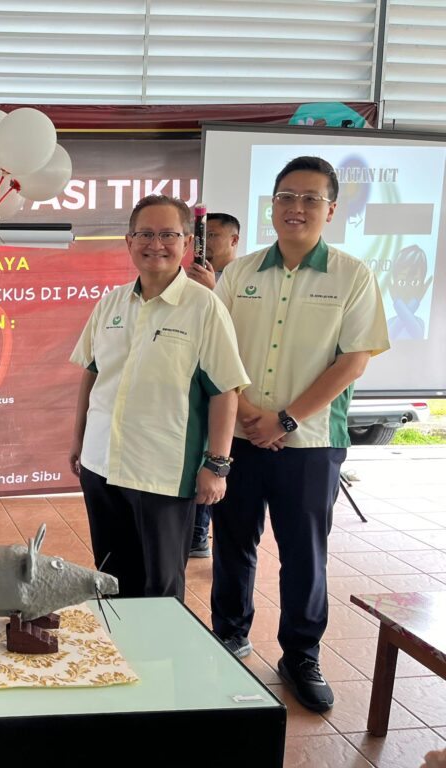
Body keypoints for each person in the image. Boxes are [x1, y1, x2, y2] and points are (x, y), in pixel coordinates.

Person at [210, 156, 389, 713]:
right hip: (240, 438)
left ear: (331, 210)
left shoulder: (352, 275)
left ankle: (301, 656)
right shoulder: (238, 274)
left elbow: (353, 360)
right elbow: (217, 353)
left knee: (305, 555)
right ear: (272, 205)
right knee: (233, 544)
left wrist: (284, 418)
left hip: (311, 444)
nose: (297, 207)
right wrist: (247, 416)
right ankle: (228, 637)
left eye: (311, 198)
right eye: (287, 196)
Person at [69, 194, 249, 602]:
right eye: (145, 234)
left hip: (162, 473)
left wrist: (217, 465)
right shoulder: (111, 303)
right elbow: (92, 375)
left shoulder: (204, 307)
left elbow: (225, 390)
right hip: (101, 465)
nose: (156, 244)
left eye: (168, 234)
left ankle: (163, 647)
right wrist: (78, 440)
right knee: (112, 579)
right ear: (129, 241)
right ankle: (121, 644)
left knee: (161, 587)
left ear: (186, 242)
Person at [186, 212, 241, 558]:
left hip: (234, 393)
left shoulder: (238, 279)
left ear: (234, 240)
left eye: (214, 236)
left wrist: (212, 291)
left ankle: (200, 533)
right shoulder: (188, 276)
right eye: (201, 237)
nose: (205, 244)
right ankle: (197, 532)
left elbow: (238, 332)